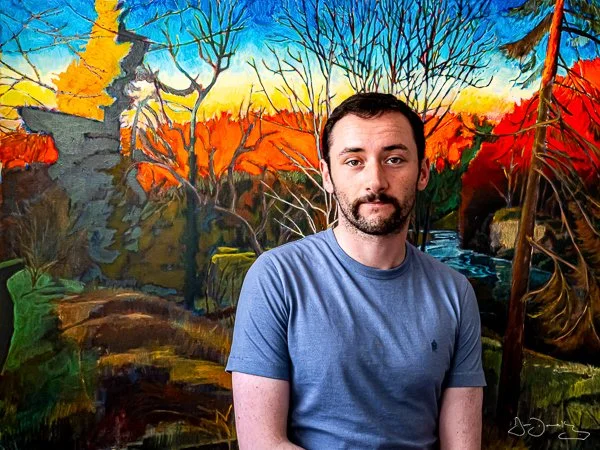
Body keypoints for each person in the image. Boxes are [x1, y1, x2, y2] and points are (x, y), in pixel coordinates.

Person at [225, 92, 486, 449]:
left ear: (423, 172)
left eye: (394, 159)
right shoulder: (276, 278)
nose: (375, 181)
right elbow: (261, 443)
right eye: (353, 161)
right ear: (327, 175)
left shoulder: (455, 293)